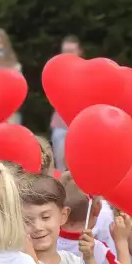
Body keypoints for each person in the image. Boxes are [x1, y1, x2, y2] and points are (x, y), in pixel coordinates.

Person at [49, 35, 82, 170]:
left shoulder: (87, 71)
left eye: (71, 51)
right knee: (62, 167)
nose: (68, 55)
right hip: (61, 125)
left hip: (80, 126)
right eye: (65, 51)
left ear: (79, 52)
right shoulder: (56, 71)